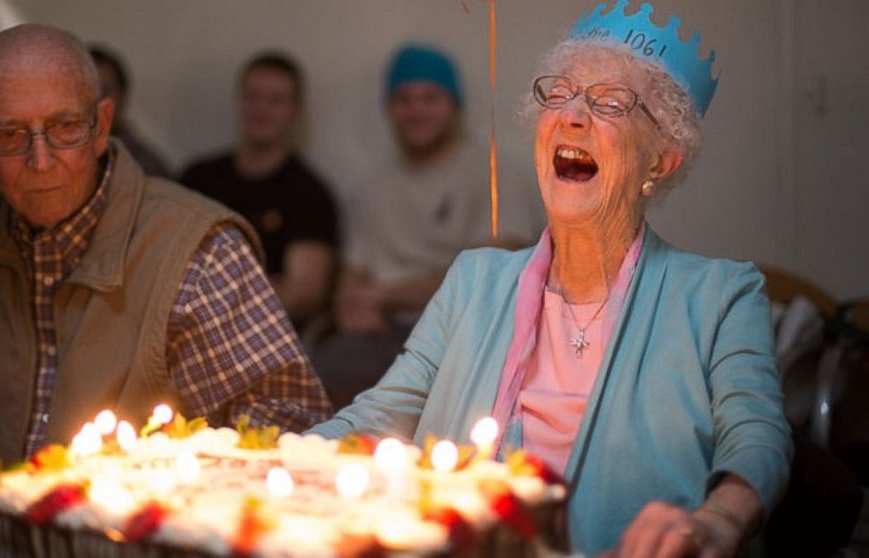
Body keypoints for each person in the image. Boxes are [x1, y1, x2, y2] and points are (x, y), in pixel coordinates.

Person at [309, 3, 792, 556]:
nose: (572, 116)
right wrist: (266, 464)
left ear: (660, 163)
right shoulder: (473, 279)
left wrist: (717, 521)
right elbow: (380, 413)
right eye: (559, 93)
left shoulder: (721, 296)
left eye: (610, 102)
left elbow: (758, 439)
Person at [0, 24, 330, 468]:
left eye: (65, 127)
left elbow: (286, 435)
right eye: (10, 135)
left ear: (101, 126)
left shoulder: (196, 250)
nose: (40, 160)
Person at [313, 43, 533, 409]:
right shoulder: (372, 189)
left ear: (454, 107)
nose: (417, 110)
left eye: (430, 98)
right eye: (404, 99)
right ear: (390, 109)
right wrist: (352, 305)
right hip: (381, 336)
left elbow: (493, 274)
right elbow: (351, 277)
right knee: (319, 376)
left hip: (466, 333)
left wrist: (383, 295)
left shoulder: (496, 175)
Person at [179, 52, 337, 327]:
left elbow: (305, 293)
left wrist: (210, 295)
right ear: (240, 100)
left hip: (262, 335)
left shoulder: (309, 194)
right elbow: (165, 261)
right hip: (180, 329)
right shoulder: (198, 178)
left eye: (275, 100)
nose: (262, 109)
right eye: (253, 96)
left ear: (294, 109)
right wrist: (264, 286)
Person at [89, 45, 170, 177]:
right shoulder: (50, 158)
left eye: (104, 91)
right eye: (85, 91)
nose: (95, 101)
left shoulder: (145, 166)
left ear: (123, 95)